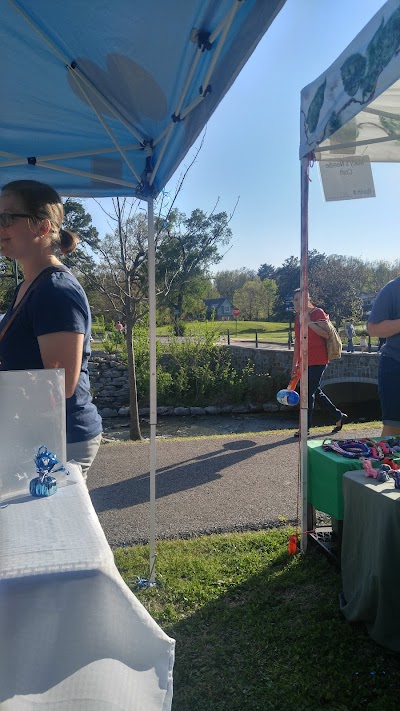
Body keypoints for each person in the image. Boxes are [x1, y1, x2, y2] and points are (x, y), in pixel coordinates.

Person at [0, 180, 102, 477]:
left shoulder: (56, 291)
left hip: (62, 439)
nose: (0, 226)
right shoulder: (28, 287)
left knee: (47, 524)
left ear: (42, 227)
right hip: (38, 434)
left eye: (7, 218)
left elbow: (58, 386)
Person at [292, 288, 347, 437]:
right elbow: (297, 342)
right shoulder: (297, 318)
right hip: (305, 360)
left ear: (308, 299)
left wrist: (309, 322)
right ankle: (338, 416)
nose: (297, 303)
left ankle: (305, 428)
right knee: (315, 391)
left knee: (307, 392)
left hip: (319, 358)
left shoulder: (317, 313)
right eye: (295, 300)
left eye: (300, 299)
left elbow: (325, 334)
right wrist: (294, 364)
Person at [368, 278, 400, 436]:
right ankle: (388, 461)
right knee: (394, 428)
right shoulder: (393, 289)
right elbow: (373, 329)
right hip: (396, 365)